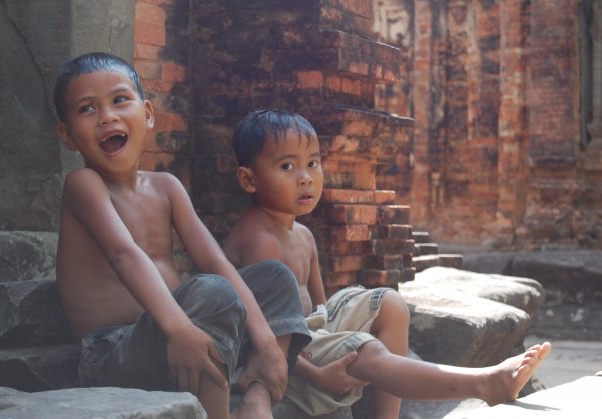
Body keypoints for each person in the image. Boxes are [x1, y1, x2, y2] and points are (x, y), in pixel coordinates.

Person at [222, 108, 552, 419]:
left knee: (391, 303)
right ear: (249, 180)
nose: (306, 178)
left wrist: (340, 327)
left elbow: (322, 307)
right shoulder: (258, 238)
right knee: (366, 351)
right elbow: (266, 337)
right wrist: (319, 375)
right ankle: (482, 383)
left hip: (311, 329)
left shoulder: (303, 235)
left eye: (313, 163)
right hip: (282, 353)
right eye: (287, 167)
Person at [53, 53, 310, 419]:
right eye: (87, 109)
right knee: (212, 293)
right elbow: (124, 254)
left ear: (148, 114)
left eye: (119, 100)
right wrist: (178, 328)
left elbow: (214, 260)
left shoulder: (166, 186)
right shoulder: (84, 184)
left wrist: (267, 341)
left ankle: (256, 395)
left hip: (187, 330)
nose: (107, 116)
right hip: (117, 348)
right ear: (67, 134)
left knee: (274, 276)